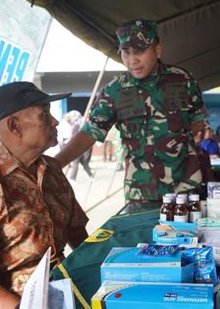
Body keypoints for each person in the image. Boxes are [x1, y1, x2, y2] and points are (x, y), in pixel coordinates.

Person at [0, 82, 89, 308]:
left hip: (57, 292)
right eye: (44, 115)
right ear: (14, 126)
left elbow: (78, 234)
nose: (54, 122)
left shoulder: (51, 171)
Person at [55, 19, 207, 203]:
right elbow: (89, 133)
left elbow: (196, 121)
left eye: (140, 51)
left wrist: (176, 144)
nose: (132, 60)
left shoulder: (183, 80)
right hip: (142, 192)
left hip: (187, 189)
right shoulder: (114, 92)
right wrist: (54, 165)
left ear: (157, 49)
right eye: (126, 53)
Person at [66, 110, 94, 181]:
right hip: (80, 147)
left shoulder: (77, 126)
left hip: (77, 147)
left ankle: (72, 178)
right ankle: (91, 175)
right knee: (83, 162)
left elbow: (74, 138)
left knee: (76, 162)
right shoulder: (81, 125)